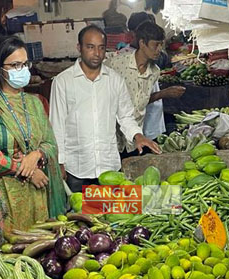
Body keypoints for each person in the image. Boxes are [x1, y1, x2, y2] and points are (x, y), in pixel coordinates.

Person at [0, 36, 66, 255]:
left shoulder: (35, 102)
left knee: (40, 253)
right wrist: (28, 172)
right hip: (3, 197)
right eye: (14, 65)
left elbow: (50, 143)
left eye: (25, 64)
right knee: (9, 256)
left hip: (39, 195)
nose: (21, 70)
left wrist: (35, 156)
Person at [50, 25, 161, 193]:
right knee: (80, 215)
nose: (96, 53)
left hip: (108, 166)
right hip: (77, 169)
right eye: (90, 47)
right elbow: (56, 125)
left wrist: (137, 135)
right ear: (79, 48)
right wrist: (59, 162)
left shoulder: (115, 80)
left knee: (109, 215)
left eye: (101, 48)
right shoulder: (63, 82)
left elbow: (125, 117)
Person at [106, 21, 184, 157]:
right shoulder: (116, 64)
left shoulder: (154, 72)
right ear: (142, 43)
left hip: (135, 138)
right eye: (155, 45)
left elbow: (142, 101)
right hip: (112, 138)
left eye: (161, 45)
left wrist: (164, 94)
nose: (159, 49)